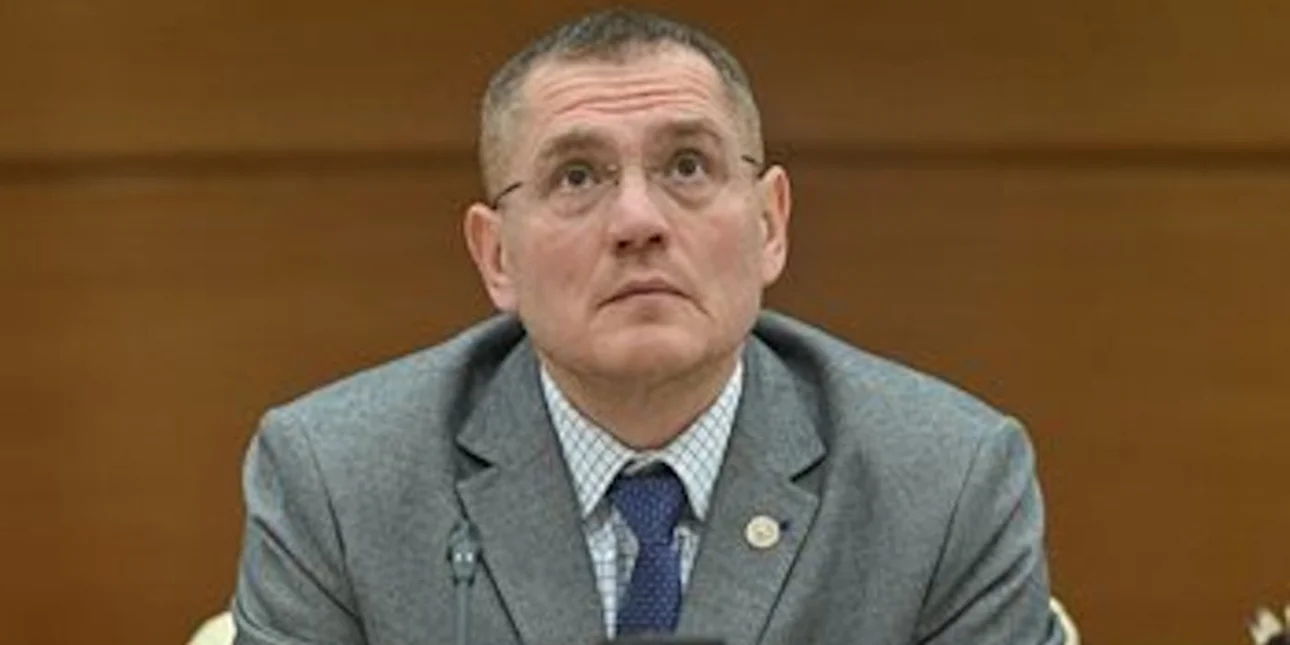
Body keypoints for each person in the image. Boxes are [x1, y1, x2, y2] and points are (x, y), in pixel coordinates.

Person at [231, 8, 1065, 645]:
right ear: (497, 256)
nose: (637, 220)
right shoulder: (337, 480)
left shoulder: (946, 480)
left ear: (770, 224)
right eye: (577, 176)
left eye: (687, 165)